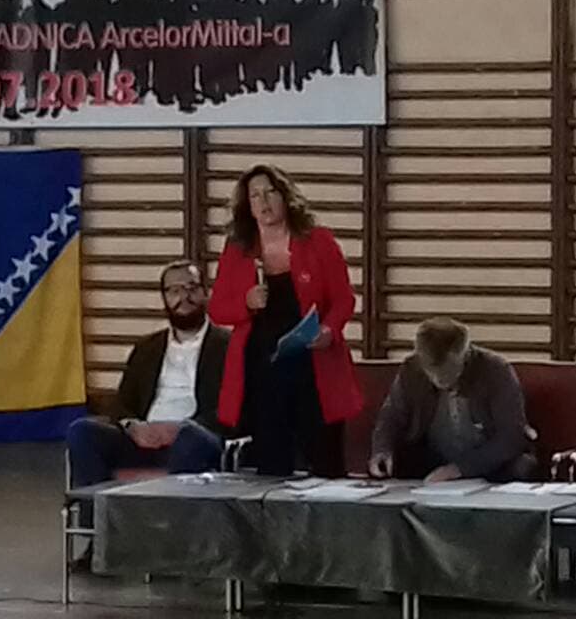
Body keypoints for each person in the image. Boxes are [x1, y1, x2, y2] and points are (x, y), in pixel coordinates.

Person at [208, 164, 362, 477]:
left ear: (286, 197)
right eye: (255, 196)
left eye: (270, 192)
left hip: (314, 369)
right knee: (271, 468)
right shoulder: (238, 249)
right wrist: (246, 303)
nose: (264, 201)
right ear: (247, 205)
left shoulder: (318, 241)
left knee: (326, 466)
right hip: (262, 373)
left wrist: (329, 330)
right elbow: (217, 309)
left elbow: (344, 299)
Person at [65, 260, 229, 488]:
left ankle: (170, 510)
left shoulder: (227, 346)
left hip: (194, 438)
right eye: (174, 290)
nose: (184, 296)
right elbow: (121, 404)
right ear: (164, 297)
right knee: (82, 431)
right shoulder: (146, 348)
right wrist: (133, 427)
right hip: (143, 439)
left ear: (205, 293)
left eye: (191, 288)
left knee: (191, 437)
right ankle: (95, 508)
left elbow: (233, 408)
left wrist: (180, 428)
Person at [368, 317, 538, 483]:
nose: (439, 378)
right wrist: (382, 450)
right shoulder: (411, 369)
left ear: (465, 353)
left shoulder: (496, 370)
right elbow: (392, 416)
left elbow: (511, 435)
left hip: (487, 459)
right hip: (433, 457)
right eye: (431, 370)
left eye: (449, 368)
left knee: (522, 466)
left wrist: (460, 469)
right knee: (391, 463)